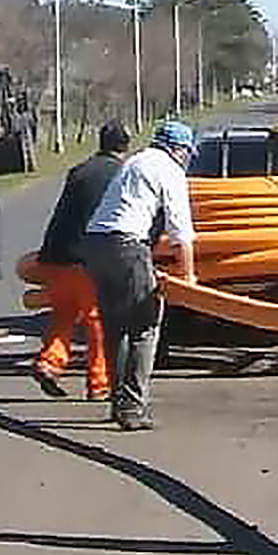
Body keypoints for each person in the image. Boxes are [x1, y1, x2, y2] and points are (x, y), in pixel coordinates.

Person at [80, 121, 199, 431]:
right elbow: (180, 232)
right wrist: (188, 277)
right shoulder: (170, 169)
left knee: (116, 327)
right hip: (126, 245)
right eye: (188, 153)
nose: (188, 159)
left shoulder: (134, 161)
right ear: (179, 150)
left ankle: (119, 404)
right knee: (146, 324)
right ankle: (132, 408)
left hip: (94, 244)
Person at [28, 121, 130, 400]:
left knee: (64, 313)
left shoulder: (80, 170)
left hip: (54, 256)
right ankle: (100, 383)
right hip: (87, 260)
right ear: (125, 147)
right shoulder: (121, 174)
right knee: (98, 320)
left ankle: (49, 363)